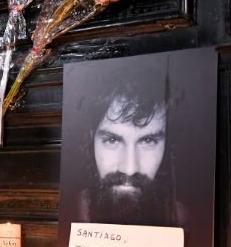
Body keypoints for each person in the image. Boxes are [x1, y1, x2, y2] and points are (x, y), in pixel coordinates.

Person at [76, 72, 184, 226]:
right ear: (91, 137)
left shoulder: (191, 221)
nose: (130, 169)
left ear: (167, 143)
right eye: (112, 140)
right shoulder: (68, 210)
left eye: (148, 141)